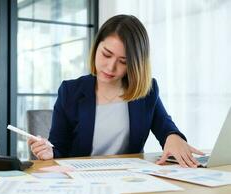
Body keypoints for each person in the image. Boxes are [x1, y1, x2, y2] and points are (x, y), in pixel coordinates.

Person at [28, 14, 204, 167]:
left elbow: (165, 128)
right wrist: (50, 152)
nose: (110, 67)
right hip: (82, 181)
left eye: (124, 61)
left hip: (128, 181)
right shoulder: (70, 91)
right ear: (96, 46)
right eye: (106, 54)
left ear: (135, 65)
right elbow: (59, 148)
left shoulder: (146, 91)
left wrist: (173, 137)